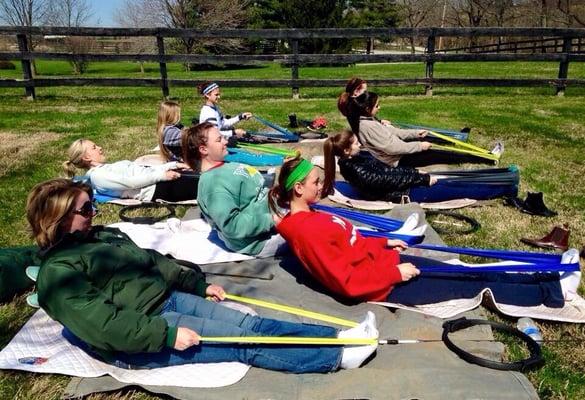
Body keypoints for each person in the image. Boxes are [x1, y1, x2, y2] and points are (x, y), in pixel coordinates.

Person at [26, 178, 379, 373]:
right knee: (243, 344)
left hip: (170, 298)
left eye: (93, 205)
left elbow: (153, 262)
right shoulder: (58, 276)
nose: (94, 212)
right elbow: (104, 325)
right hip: (147, 329)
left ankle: (336, 336)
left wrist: (197, 283)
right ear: (56, 219)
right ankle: (334, 359)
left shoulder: (100, 236)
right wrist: (166, 336)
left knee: (252, 325)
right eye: (86, 208)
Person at [270, 157, 580, 306]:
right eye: (315, 183)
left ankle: (547, 276)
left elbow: (350, 242)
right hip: (385, 285)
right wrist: (395, 275)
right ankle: (553, 292)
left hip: (387, 264)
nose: (322, 186)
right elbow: (345, 283)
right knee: (471, 286)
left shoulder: (314, 214)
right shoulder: (305, 232)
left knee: (466, 271)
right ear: (298, 189)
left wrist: (384, 242)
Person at [182, 122, 283, 256]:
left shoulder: (224, 165)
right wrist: (273, 219)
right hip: (260, 240)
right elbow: (233, 226)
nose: (225, 141)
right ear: (203, 150)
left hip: (277, 212)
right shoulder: (213, 185)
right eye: (219, 140)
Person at [346, 91, 503, 168]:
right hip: (399, 160)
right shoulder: (367, 126)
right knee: (445, 155)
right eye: (377, 105)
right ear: (367, 108)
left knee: (436, 146)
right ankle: (489, 159)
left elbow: (394, 133)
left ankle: (486, 155)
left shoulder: (368, 120)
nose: (380, 108)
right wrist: (419, 146)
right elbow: (392, 148)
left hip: (402, 153)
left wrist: (416, 133)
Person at [63, 139, 197, 202]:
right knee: (205, 183)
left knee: (204, 175)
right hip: (156, 188)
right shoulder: (98, 176)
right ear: (86, 157)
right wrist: (162, 176)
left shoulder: (105, 168)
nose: (99, 147)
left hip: (159, 179)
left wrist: (173, 165)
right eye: (94, 147)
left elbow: (145, 170)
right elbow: (131, 183)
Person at [322, 130, 437, 201]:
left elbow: (388, 170)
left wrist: (414, 172)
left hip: (402, 186)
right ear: (347, 150)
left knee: (449, 183)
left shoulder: (357, 159)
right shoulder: (355, 169)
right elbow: (387, 179)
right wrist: (422, 179)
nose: (360, 144)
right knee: (451, 188)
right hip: (399, 193)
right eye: (356, 143)